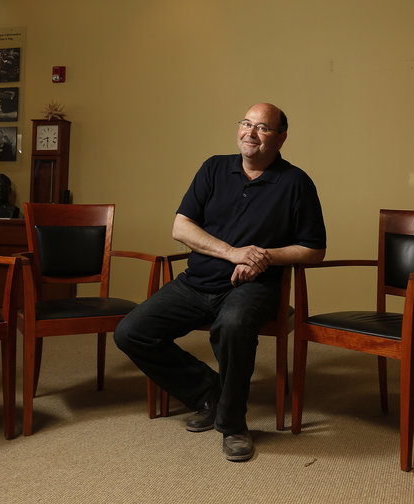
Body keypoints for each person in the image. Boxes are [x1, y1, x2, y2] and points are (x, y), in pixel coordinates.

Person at [114, 103, 326, 462]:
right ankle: (211, 392)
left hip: (253, 288)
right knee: (131, 332)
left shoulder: (296, 183)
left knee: (233, 324)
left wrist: (263, 257)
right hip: (195, 282)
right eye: (246, 124)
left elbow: (313, 250)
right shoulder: (213, 168)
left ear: (281, 138)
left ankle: (233, 424)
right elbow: (180, 227)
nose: (250, 133)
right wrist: (233, 253)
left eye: (262, 128)